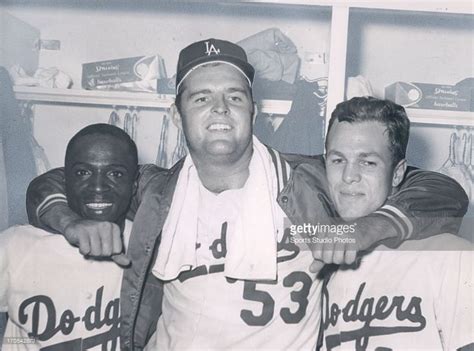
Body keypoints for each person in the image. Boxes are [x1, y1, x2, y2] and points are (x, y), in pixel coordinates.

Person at [25, 39, 468, 350]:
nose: (219, 108)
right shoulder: (156, 190)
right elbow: (53, 182)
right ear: (177, 116)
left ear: (253, 110)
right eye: (201, 99)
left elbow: (441, 189)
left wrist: (366, 229)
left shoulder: (306, 180)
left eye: (234, 97)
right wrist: (72, 222)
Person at [319, 96, 473, 350]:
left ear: (398, 172)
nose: (349, 176)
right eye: (338, 160)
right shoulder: (319, 259)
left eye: (367, 162)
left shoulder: (453, 256)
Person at [0, 124, 138, 350]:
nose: (98, 187)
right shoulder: (18, 245)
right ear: (64, 181)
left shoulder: (149, 244)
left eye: (115, 173)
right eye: (83, 172)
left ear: (134, 186)